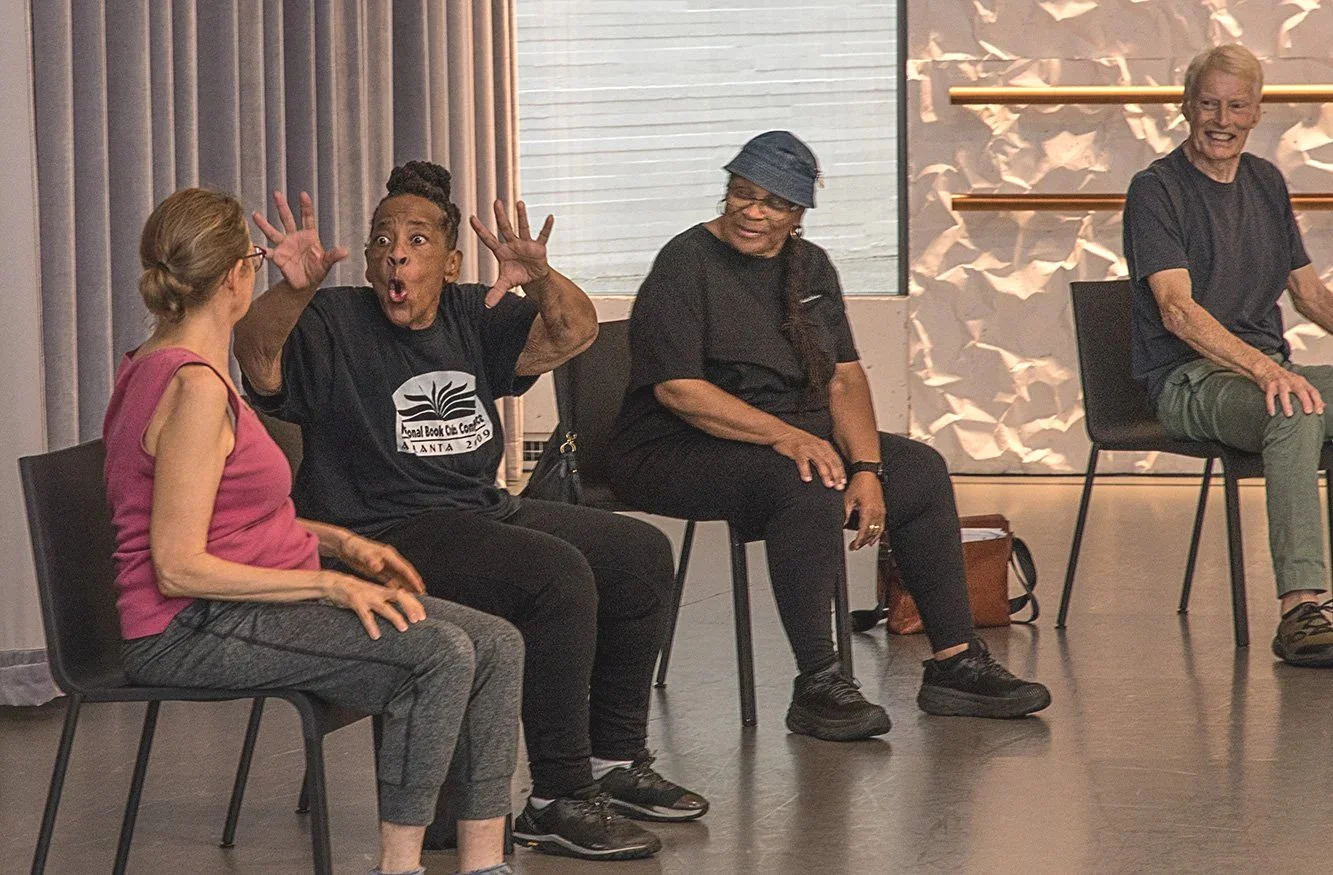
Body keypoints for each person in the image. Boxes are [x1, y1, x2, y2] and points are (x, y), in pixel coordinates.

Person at [232, 161, 706, 863]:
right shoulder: (332, 319)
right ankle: (556, 794)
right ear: (366, 259)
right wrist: (290, 291)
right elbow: (258, 357)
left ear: (451, 261)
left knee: (637, 553)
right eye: (381, 239)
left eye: (418, 240)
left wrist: (538, 276)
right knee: (556, 574)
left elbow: (573, 335)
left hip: (476, 508)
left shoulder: (470, 313)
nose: (396, 251)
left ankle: (612, 761)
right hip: (378, 532)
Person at [104, 188, 523, 875]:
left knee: (497, 644)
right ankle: (401, 867)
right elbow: (177, 565)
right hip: (187, 625)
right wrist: (326, 583)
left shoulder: (172, 365)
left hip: (237, 605)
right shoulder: (193, 389)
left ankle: (483, 864)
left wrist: (339, 541)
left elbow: (229, 515)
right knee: (439, 654)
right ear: (239, 274)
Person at [605, 131, 1051, 740]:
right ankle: (819, 681)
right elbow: (679, 390)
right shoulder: (685, 262)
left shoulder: (810, 266)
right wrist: (786, 438)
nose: (754, 212)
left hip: (786, 433)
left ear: (799, 215)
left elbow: (843, 378)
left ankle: (955, 664)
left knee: (916, 469)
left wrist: (867, 467)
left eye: (776, 204)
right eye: (743, 194)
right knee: (806, 478)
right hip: (674, 445)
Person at [1126, 44, 1333, 666]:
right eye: (1208, 103)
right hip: (1189, 379)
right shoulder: (1156, 190)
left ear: (1255, 112)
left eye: (1236, 106)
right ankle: (1300, 611)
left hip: (1267, 369)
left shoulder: (1266, 181)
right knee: (1292, 409)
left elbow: (1307, 293)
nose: (1222, 118)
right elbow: (1177, 311)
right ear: (1186, 106)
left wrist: (1276, 369)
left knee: (1293, 396)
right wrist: (1267, 369)